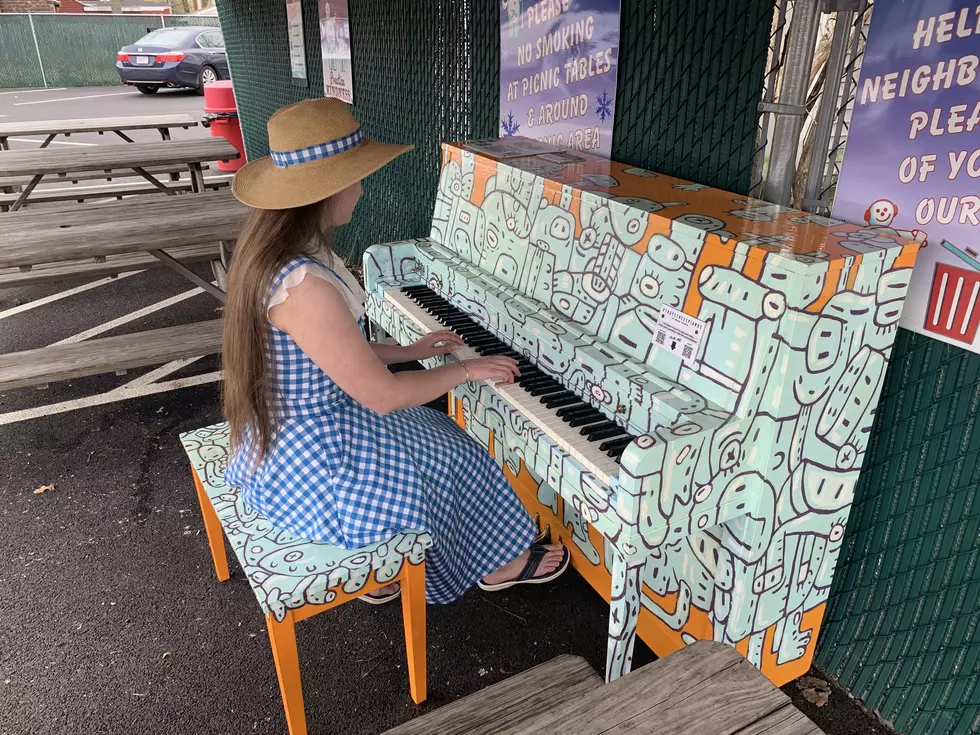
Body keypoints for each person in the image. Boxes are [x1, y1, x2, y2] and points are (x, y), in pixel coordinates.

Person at [222, 98, 569, 605]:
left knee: (440, 443)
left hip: (299, 425)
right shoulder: (304, 284)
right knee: (454, 454)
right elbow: (381, 397)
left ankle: (416, 562)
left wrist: (408, 350)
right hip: (316, 454)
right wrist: (465, 370)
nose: (363, 188)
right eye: (357, 176)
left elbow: (336, 355)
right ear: (329, 188)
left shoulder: (279, 253)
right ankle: (421, 564)